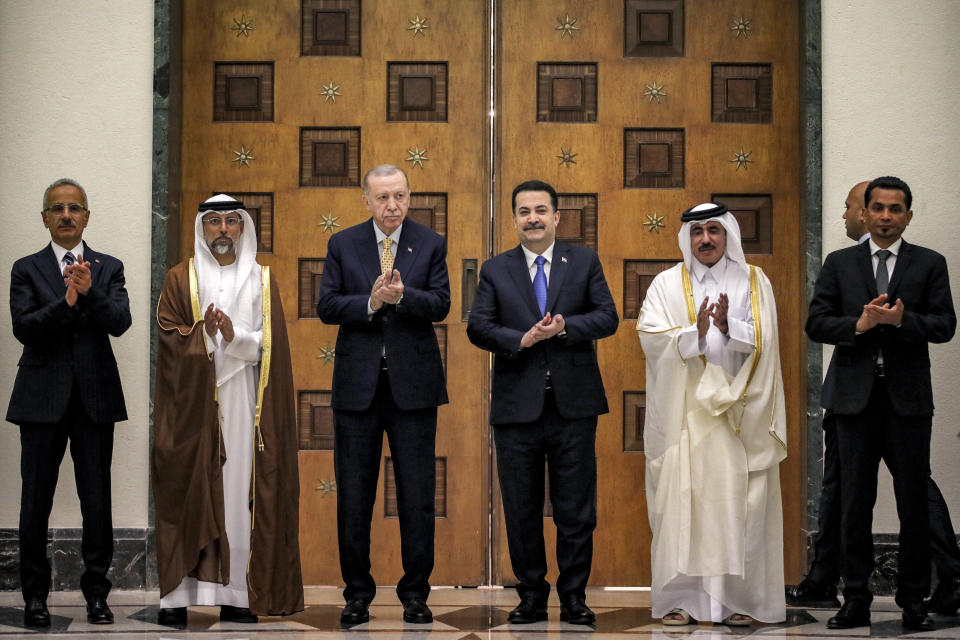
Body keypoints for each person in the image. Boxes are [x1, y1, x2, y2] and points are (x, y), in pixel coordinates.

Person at [789, 181, 960, 615]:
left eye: (895, 209)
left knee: (913, 505)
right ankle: (856, 600)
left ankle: (914, 601)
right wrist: (860, 326)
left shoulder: (929, 263)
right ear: (865, 213)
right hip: (853, 402)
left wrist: (905, 321)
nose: (886, 216)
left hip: (908, 402)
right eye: (878, 208)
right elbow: (817, 324)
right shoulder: (839, 263)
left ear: (908, 216)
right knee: (853, 504)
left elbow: (944, 325)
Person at [467, 180, 618, 625]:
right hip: (517, 409)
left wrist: (566, 326)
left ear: (557, 217)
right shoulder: (497, 270)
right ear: (514, 219)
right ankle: (531, 595)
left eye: (540, 210)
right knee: (521, 507)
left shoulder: (584, 261)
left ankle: (574, 597)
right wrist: (523, 338)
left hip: (574, 406)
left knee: (575, 509)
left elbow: (607, 316)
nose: (532, 218)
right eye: (523, 211)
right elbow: (479, 327)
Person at [152, 194, 303, 625]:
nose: (222, 229)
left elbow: (269, 345)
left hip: (243, 402)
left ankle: (236, 595)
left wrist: (234, 336)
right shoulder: (181, 278)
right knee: (189, 492)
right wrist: (203, 334)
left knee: (237, 493)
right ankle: (177, 598)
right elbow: (167, 334)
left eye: (231, 222)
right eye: (214, 221)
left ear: (242, 229)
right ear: (202, 227)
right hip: (192, 407)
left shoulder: (260, 278)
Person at [637, 203, 787, 626]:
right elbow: (649, 336)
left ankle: (741, 601)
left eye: (714, 231)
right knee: (683, 506)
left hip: (739, 417)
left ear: (729, 236)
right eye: (698, 231)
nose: (706, 239)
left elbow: (767, 341)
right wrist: (695, 333)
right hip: (687, 415)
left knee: (740, 507)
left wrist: (727, 327)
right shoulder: (667, 284)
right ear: (687, 237)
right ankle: (682, 601)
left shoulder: (754, 281)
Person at [317, 165, 450, 626]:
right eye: (382, 198)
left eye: (399, 196)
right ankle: (357, 595)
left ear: (409, 197)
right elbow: (327, 305)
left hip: (413, 390)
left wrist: (403, 296)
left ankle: (416, 594)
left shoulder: (430, 242)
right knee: (354, 497)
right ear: (366, 200)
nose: (391, 205)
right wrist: (371, 303)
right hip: (358, 391)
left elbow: (442, 303)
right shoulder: (343, 244)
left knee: (417, 495)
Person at [7, 178, 131, 627]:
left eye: (74, 207)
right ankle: (34, 599)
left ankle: (97, 596)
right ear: (45, 218)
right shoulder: (26, 268)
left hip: (95, 400)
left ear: (86, 216)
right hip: (40, 401)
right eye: (56, 208)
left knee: (97, 501)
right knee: (34, 502)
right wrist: (68, 300)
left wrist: (91, 290)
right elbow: (25, 328)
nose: (66, 215)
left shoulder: (109, 266)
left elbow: (120, 322)